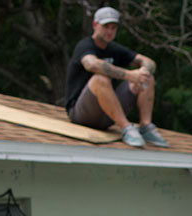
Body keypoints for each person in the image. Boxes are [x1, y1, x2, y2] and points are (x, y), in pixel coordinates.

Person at [64, 6, 168, 148]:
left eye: (113, 28)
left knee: (146, 76)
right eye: (106, 26)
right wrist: (129, 75)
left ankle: (145, 125)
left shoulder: (114, 49)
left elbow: (149, 62)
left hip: (108, 116)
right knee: (100, 79)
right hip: (82, 114)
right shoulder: (85, 45)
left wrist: (143, 70)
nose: (110, 31)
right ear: (95, 25)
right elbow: (92, 64)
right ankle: (126, 128)